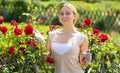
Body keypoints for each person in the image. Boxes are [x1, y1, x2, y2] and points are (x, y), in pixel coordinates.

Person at [34, 2, 91, 73]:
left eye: (67, 13)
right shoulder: (52, 35)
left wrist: (88, 60)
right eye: (62, 14)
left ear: (74, 16)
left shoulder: (81, 37)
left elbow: (84, 65)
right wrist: (42, 42)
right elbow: (45, 60)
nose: (64, 16)